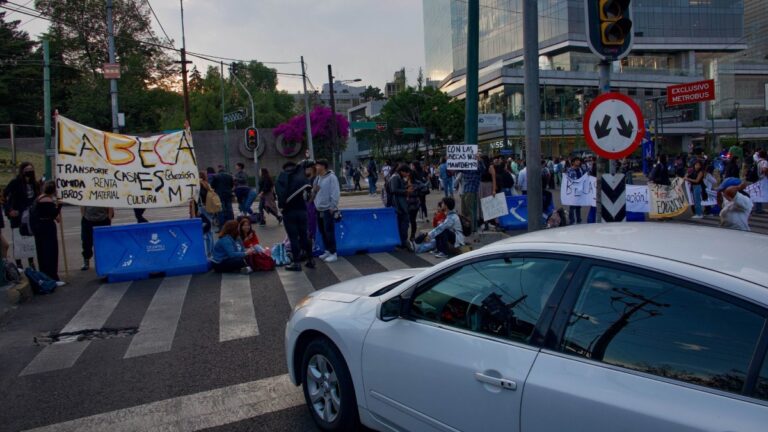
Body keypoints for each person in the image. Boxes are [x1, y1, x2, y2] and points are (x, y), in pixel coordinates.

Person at [276, 160, 315, 272]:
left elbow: (280, 195)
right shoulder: (302, 179)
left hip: (289, 212)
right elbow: (309, 196)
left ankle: (296, 263)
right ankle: (310, 260)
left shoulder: (282, 178)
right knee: (305, 236)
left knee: (293, 238)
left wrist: (282, 206)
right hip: (302, 211)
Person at [4, 162, 40, 269]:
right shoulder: (15, 183)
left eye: (31, 169)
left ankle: (31, 262)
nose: (29, 172)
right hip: (17, 216)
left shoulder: (35, 184)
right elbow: (4, 195)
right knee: (18, 239)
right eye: (27, 170)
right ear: (22, 171)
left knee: (29, 239)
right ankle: (19, 264)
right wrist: (9, 209)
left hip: (30, 216)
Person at [32, 181, 65, 286]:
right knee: (50, 252)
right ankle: (52, 276)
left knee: (42, 253)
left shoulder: (40, 198)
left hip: (39, 228)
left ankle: (45, 276)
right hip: (47, 228)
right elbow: (53, 213)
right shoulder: (47, 200)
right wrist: (59, 206)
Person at [313, 159, 341, 263]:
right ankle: (328, 250)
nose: (316, 167)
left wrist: (332, 206)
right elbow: (315, 192)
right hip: (319, 209)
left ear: (323, 166)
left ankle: (334, 253)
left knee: (329, 231)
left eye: (318, 165)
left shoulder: (331, 178)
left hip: (327, 209)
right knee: (322, 231)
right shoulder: (318, 178)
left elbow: (335, 192)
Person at [80, 205, 114, 270]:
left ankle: (104, 262)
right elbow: (82, 204)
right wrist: (83, 215)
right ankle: (86, 260)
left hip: (103, 219)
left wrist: (109, 217)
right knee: (86, 242)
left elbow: (110, 203)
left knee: (104, 244)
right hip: (88, 219)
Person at [189, 172, 213, 257]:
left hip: (201, 208)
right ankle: (210, 250)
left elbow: (198, 198)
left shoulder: (199, 185)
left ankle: (207, 252)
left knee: (205, 230)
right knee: (209, 230)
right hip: (209, 207)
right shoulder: (207, 184)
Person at [388, 164, 412, 250]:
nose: (407, 175)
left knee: (402, 224)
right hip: (399, 205)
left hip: (400, 204)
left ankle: (401, 241)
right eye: (407, 173)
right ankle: (402, 241)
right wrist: (406, 191)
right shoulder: (395, 177)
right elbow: (394, 190)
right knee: (404, 223)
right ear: (402, 171)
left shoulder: (398, 177)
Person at [566, 157, 586, 224]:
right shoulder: (569, 170)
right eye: (577, 161)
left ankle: (579, 220)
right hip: (572, 191)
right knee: (572, 206)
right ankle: (572, 221)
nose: (578, 162)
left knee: (578, 206)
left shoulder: (581, 169)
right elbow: (567, 180)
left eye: (579, 161)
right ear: (573, 162)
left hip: (579, 191)